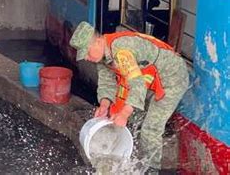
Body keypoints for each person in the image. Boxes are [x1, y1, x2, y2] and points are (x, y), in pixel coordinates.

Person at [69, 21, 189, 171]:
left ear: (98, 42)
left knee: (150, 129)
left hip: (172, 78)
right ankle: (128, 157)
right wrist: (105, 105)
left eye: (87, 52)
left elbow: (137, 85)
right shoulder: (103, 55)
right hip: (150, 78)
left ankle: (153, 170)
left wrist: (125, 113)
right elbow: (107, 83)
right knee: (122, 114)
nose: (86, 57)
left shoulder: (122, 52)